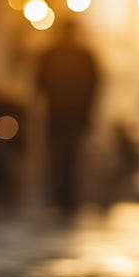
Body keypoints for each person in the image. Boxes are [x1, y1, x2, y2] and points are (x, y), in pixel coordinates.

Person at [36, 22, 101, 220]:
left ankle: (66, 200)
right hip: (62, 117)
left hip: (68, 118)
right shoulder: (72, 55)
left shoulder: (75, 55)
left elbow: (94, 86)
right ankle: (61, 200)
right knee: (61, 160)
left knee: (68, 160)